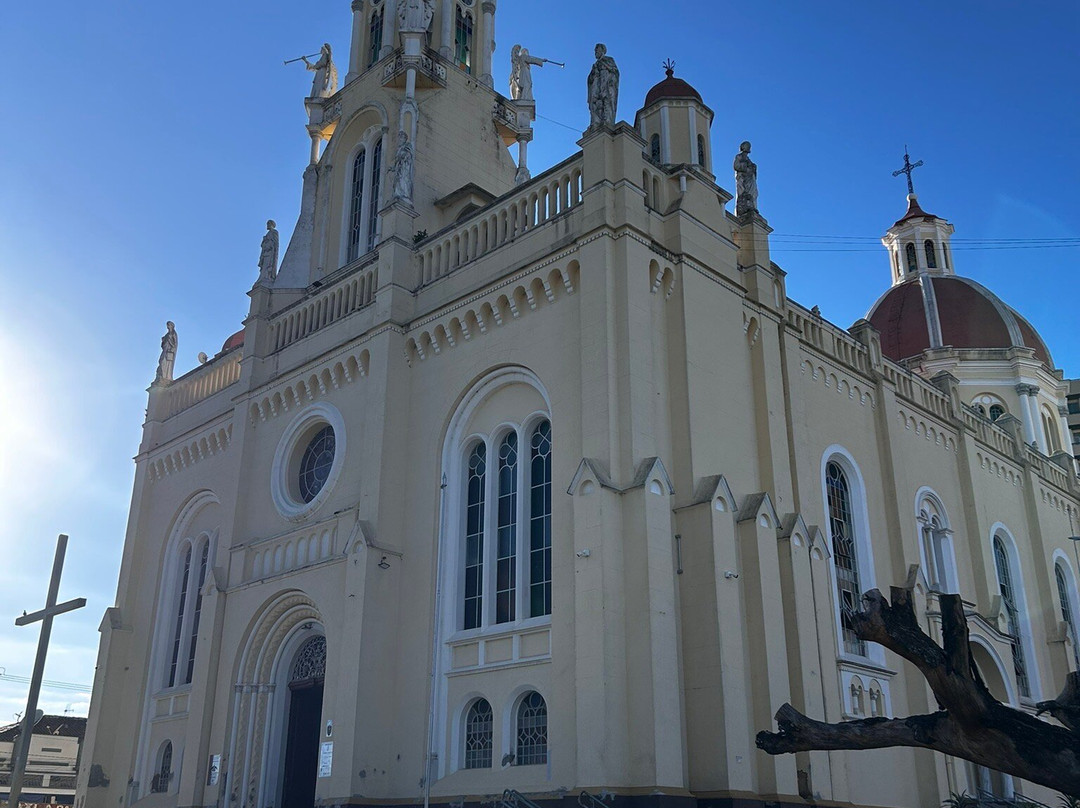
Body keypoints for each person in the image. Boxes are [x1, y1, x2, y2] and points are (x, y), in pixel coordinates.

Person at [587, 43, 619, 129]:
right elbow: (589, 79)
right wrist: (593, 74)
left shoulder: (609, 59)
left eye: (597, 50)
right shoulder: (594, 65)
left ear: (602, 50)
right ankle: (595, 121)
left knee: (606, 100)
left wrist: (605, 67)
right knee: (594, 102)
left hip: (606, 83)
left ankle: (607, 119)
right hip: (596, 84)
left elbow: (615, 72)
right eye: (595, 50)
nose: (595, 52)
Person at [734, 141, 758, 216]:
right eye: (747, 146)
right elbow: (736, 166)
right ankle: (745, 207)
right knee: (743, 192)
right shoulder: (739, 156)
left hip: (750, 179)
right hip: (743, 178)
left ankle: (752, 205)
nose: (748, 148)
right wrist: (746, 167)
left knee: (753, 192)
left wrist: (753, 167)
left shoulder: (748, 159)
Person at [392, 131, 415, 204]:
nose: (400, 140)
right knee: (397, 180)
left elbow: (408, 155)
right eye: (399, 138)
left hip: (405, 167)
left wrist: (403, 156)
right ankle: (398, 193)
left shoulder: (407, 146)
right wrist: (393, 168)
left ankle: (404, 195)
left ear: (405, 139)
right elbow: (396, 160)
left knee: (403, 180)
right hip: (399, 167)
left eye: (401, 138)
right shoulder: (399, 148)